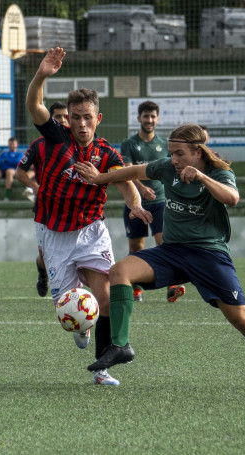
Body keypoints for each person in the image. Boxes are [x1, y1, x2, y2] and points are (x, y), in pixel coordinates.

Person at [75, 123, 245, 390]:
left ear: (198, 152)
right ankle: (121, 345)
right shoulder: (168, 168)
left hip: (209, 255)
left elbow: (233, 198)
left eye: (180, 154)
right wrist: (100, 178)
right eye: (171, 153)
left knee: (243, 320)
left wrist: (203, 178)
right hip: (172, 252)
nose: (174, 160)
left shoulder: (219, 173)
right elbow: (135, 170)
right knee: (120, 271)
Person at [25, 47, 151, 386]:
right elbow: (34, 105)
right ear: (69, 118)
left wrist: (135, 203)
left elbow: (124, 181)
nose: (80, 123)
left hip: (92, 232)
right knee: (69, 310)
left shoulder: (108, 152)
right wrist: (41, 75)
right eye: (75, 116)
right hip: (57, 236)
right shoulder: (56, 138)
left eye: (87, 117)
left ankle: (102, 368)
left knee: (106, 295)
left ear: (98, 119)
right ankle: (81, 324)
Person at [120, 100, 186, 304]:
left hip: (160, 202)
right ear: (139, 118)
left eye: (152, 116)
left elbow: (173, 169)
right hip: (136, 203)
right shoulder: (129, 144)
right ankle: (136, 287)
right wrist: (141, 189)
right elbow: (128, 171)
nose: (149, 120)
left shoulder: (164, 145)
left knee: (164, 243)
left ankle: (172, 286)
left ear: (157, 119)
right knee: (137, 247)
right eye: (145, 116)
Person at [15, 101, 70, 298]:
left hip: (69, 209)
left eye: (66, 116)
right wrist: (35, 187)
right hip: (44, 208)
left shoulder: (76, 142)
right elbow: (19, 173)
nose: (63, 120)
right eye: (58, 117)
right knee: (44, 255)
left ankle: (67, 291)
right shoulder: (38, 145)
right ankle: (42, 274)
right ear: (50, 118)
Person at [0, 137, 26, 202]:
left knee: (9, 172)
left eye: (13, 144)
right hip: (3, 170)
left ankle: (7, 196)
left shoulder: (19, 154)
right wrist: (9, 162)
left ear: (16, 144)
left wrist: (6, 161)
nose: (12, 145)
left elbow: (17, 162)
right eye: (10, 144)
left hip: (14, 171)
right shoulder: (4, 154)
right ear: (8, 145)